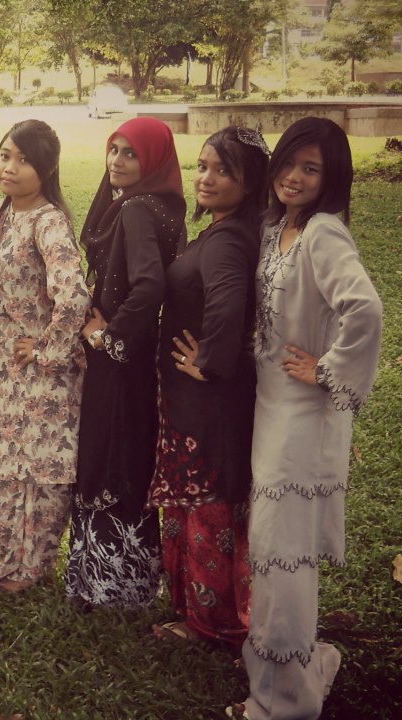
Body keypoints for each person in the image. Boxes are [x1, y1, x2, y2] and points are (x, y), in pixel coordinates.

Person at [228, 118, 382, 720]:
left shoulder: (322, 232)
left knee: (282, 552)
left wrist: (327, 369)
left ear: (331, 178)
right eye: (289, 162)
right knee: (273, 548)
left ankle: (283, 701)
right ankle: (284, 669)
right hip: (272, 408)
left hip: (302, 418)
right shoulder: (279, 227)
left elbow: (364, 308)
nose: (294, 176)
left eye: (311, 168)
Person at [147, 127, 270, 647]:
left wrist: (212, 362)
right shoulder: (224, 230)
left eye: (224, 171)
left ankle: (212, 622)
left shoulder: (228, 240)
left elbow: (228, 300)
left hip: (208, 404)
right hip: (195, 401)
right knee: (194, 503)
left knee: (207, 507)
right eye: (202, 166)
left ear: (250, 183)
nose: (207, 178)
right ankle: (193, 610)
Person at [67, 117, 186, 608]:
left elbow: (150, 286)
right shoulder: (163, 206)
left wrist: (105, 339)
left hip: (118, 362)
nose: (116, 160)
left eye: (130, 153)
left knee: (109, 455)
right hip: (138, 361)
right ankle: (129, 581)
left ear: (153, 160)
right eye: (113, 149)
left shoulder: (136, 209)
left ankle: (108, 586)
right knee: (128, 453)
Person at [0, 119, 90, 594]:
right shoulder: (0, 211)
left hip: (39, 373)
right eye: (5, 156)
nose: (10, 167)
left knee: (37, 472)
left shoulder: (48, 222)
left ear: (47, 168)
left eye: (24, 160)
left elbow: (74, 296)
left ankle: (30, 569)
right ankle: (13, 561)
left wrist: (45, 349)